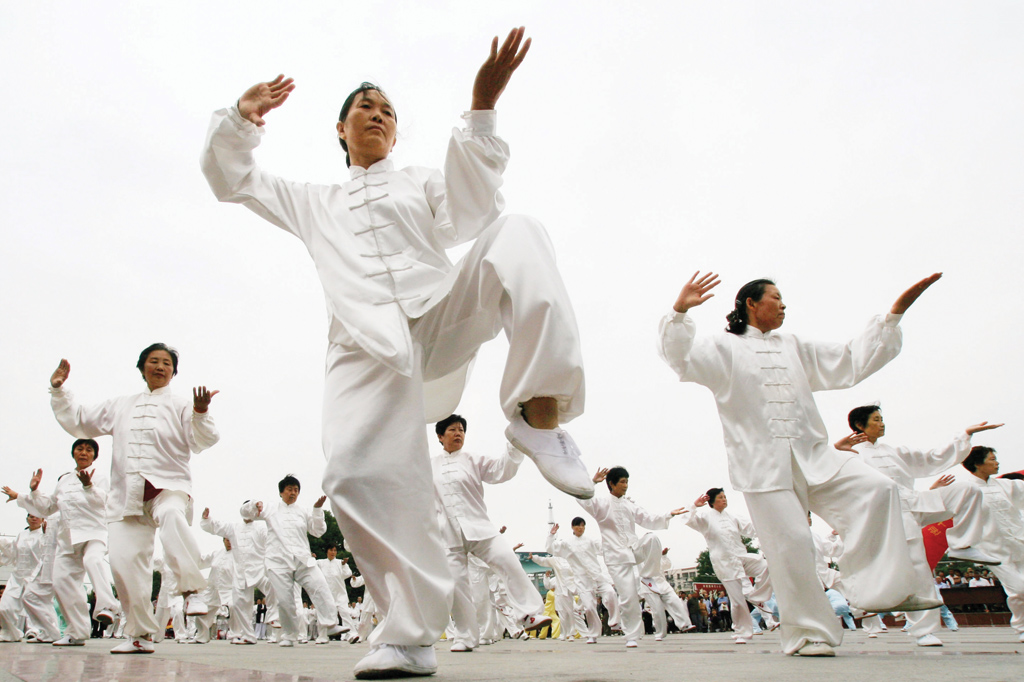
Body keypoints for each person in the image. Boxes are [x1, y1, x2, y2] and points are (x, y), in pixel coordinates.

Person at [201, 27, 588, 678]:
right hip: (360, 345)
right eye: (364, 108)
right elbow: (232, 179)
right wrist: (241, 119)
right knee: (350, 474)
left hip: (437, 313)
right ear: (341, 129)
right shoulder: (312, 201)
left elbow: (472, 209)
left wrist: (482, 104)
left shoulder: (418, 182)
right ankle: (406, 634)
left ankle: (539, 412)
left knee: (518, 231)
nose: (376, 115)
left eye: (386, 110)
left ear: (397, 132)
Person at [658, 271, 942, 656]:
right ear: (751, 304)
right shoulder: (723, 347)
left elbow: (849, 360)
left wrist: (893, 316)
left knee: (879, 490)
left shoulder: (792, 344)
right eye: (776, 297)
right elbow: (682, 360)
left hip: (816, 454)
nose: (784, 304)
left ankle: (883, 590)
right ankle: (808, 635)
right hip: (761, 465)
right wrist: (678, 313)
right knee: (792, 545)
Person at [47, 344, 220, 654]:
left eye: (166, 363)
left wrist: (201, 412)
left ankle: (193, 590)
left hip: (168, 489)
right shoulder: (121, 406)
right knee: (124, 564)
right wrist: (59, 391)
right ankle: (138, 635)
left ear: (173, 372)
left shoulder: (182, 405)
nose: (160, 366)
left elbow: (203, 440)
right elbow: (81, 420)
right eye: (153, 361)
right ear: (142, 368)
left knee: (171, 517)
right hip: (126, 497)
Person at [835, 406, 1002, 646]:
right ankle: (923, 630)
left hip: (914, 503)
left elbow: (932, 458)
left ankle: (962, 543)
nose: (882, 424)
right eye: (876, 420)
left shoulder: (895, 451)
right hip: (885, 515)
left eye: (883, 419)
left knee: (968, 490)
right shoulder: (849, 454)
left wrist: (965, 434)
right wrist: (839, 451)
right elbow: (825, 471)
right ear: (860, 425)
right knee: (917, 566)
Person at [431, 414, 550, 652]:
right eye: (453, 430)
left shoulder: (472, 459)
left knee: (508, 561)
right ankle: (465, 637)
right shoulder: (428, 465)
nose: (458, 433)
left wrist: (514, 445)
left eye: (462, 430)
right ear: (440, 436)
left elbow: (501, 471)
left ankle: (528, 614)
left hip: (480, 529)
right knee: (457, 586)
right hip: (448, 535)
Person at [3, 438, 121, 646]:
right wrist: (31, 492)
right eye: (79, 449)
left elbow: (105, 502)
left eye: (88, 450)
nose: (83, 453)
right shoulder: (64, 480)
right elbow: (48, 507)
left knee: (93, 561)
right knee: (61, 581)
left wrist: (89, 486)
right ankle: (77, 633)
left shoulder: (101, 476)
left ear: (94, 455)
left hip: (94, 533)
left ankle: (107, 607)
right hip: (68, 539)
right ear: (73, 453)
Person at [577, 467, 686, 648]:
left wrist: (669, 514)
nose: (626, 486)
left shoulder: (629, 504)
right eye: (622, 482)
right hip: (616, 558)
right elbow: (582, 498)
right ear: (611, 484)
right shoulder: (601, 504)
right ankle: (632, 636)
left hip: (633, 550)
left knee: (652, 538)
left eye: (627, 482)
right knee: (629, 598)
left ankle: (649, 576)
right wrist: (593, 482)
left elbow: (648, 518)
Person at [241, 475, 344, 647]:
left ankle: (330, 624)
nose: (293, 493)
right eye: (289, 489)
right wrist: (254, 504)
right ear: (281, 492)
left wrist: (317, 510)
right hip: (278, 561)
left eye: (296, 490)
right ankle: (289, 635)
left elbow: (318, 532)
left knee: (320, 586)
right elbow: (244, 512)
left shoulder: (303, 512)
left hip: (302, 559)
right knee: (284, 600)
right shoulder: (271, 508)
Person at [679, 488, 772, 643]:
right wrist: (695, 505)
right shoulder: (706, 518)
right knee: (737, 600)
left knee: (767, 566)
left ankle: (757, 595)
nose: (724, 499)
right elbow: (687, 519)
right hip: (724, 563)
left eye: (725, 496)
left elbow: (752, 529)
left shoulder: (733, 517)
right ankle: (741, 632)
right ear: (712, 501)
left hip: (742, 557)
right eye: (721, 497)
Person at [957, 447, 1024, 641]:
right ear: (978, 464)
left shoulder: (1008, 486)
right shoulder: (966, 489)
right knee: (1019, 589)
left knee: (1018, 592)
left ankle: (1021, 626)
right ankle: (1020, 627)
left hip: (1019, 543)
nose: (997, 463)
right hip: (993, 550)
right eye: (992, 459)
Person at [200, 503, 271, 645]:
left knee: (274, 589)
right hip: (238, 575)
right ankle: (248, 635)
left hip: (259, 570)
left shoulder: (261, 528)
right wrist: (208, 520)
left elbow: (272, 540)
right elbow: (218, 526)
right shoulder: (234, 528)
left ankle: (276, 617)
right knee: (239, 605)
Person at [545, 517, 620, 644]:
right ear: (573, 527)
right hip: (582, 579)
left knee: (611, 593)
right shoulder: (567, 543)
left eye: (583, 526)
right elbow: (550, 549)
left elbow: (604, 549)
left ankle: (614, 621)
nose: (580, 528)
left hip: (597, 576)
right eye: (578, 526)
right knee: (589, 607)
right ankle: (593, 634)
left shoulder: (591, 540)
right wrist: (551, 535)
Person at [0, 514, 53, 642]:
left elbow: (49, 552)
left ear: (42, 519)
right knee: (5, 607)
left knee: (34, 606)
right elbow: (12, 553)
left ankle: (35, 631)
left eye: (37, 516)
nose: (34, 518)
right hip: (17, 577)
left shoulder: (46, 535)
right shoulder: (21, 535)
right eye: (30, 516)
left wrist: (47, 535)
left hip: (35, 577)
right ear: (26, 519)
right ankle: (10, 633)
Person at [634, 538, 694, 641]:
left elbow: (667, 565)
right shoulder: (639, 558)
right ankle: (659, 633)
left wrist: (664, 555)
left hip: (662, 583)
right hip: (648, 584)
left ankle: (685, 624)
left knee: (675, 601)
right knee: (658, 610)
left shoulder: (658, 557)